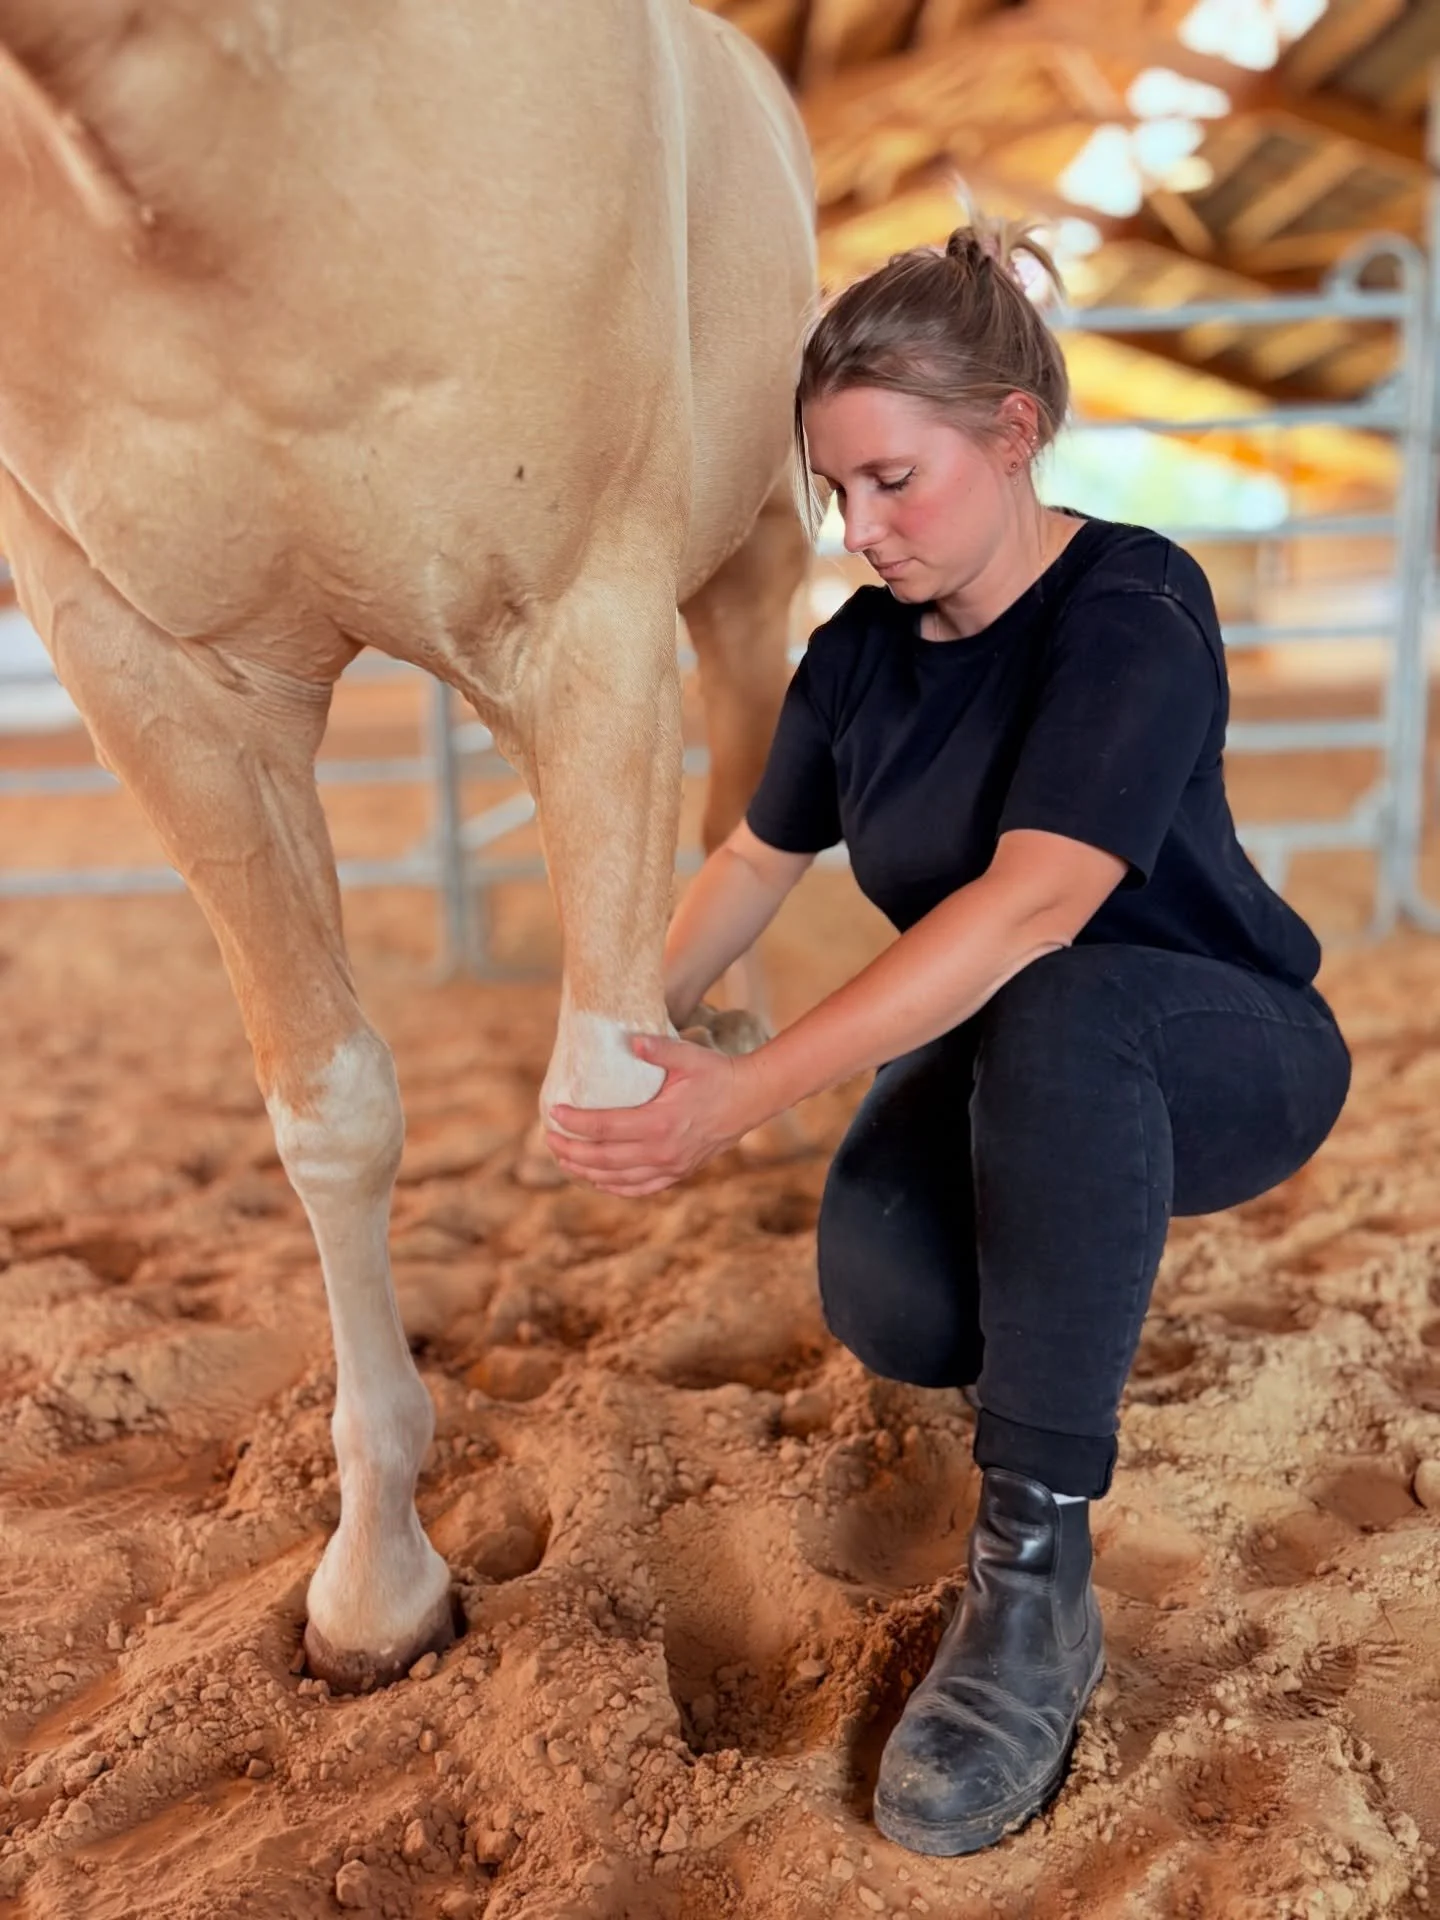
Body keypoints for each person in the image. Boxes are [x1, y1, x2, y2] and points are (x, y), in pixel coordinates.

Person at [544, 216, 1352, 1859]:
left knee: (1053, 994)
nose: (861, 529)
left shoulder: (1135, 599)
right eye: (837, 492)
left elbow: (1036, 907)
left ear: (1013, 434)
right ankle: (1073, 1258)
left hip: (1224, 1042)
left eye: (894, 481)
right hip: (1017, 1055)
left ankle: (1034, 1587)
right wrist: (609, 1027)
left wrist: (746, 1094)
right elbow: (750, 865)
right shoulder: (854, 660)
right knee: (895, 1298)